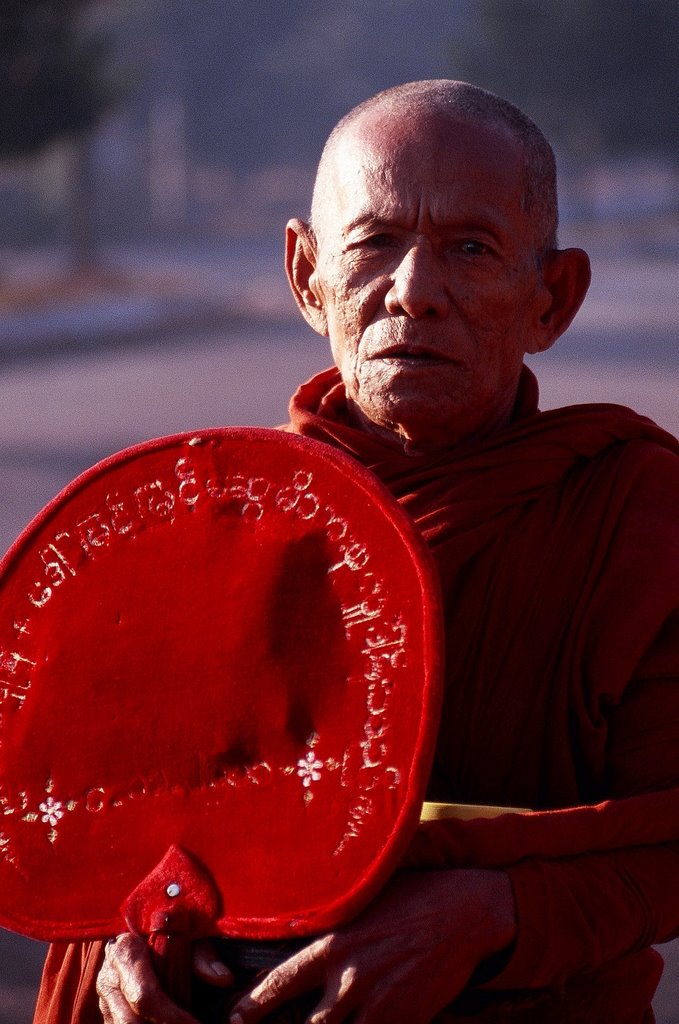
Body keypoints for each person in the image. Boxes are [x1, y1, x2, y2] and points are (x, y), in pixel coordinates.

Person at [34, 80, 679, 1024]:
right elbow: (97, 824)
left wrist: (492, 914)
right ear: (306, 276)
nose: (413, 293)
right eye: (374, 243)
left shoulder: (636, 520)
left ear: (553, 298)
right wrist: (119, 945)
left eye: (470, 248)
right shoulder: (204, 530)